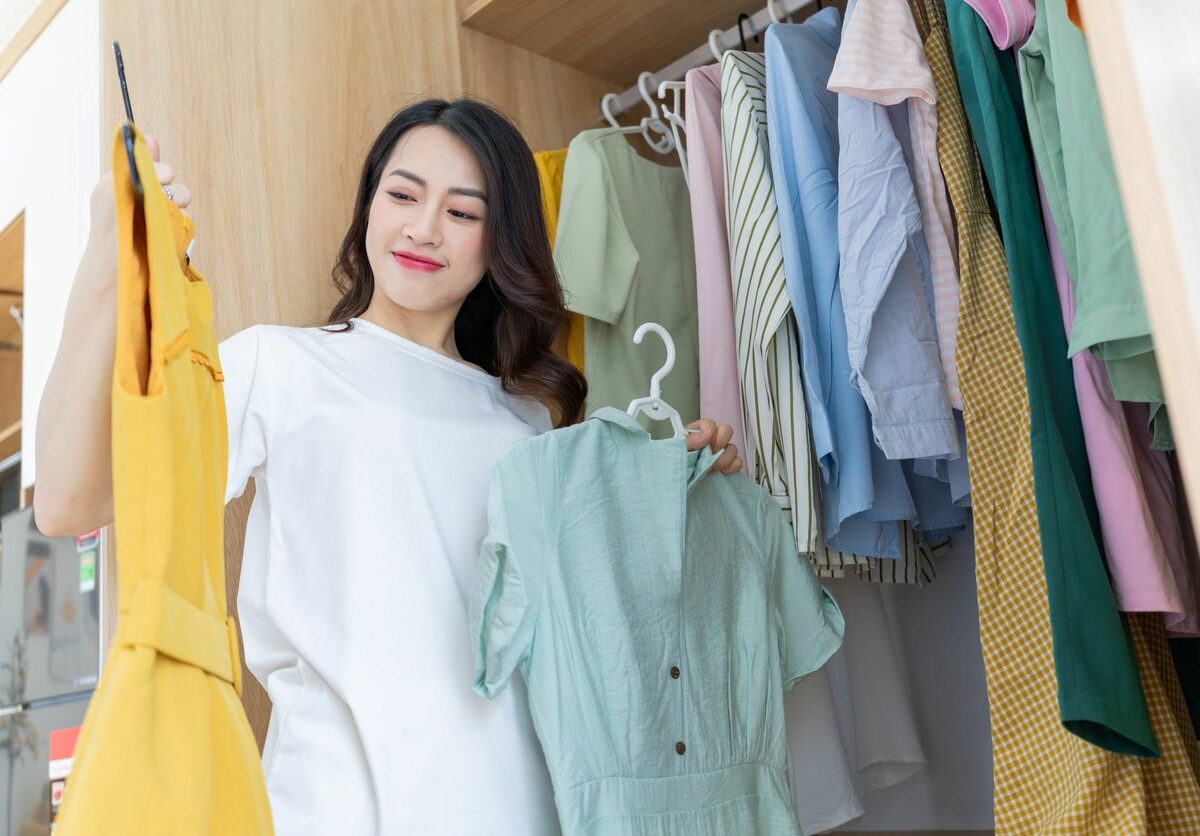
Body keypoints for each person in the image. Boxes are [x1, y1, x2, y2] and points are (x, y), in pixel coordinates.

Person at [33, 98, 742, 834]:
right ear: (369, 203)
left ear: (500, 242)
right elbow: (67, 501)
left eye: (463, 213)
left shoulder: (529, 423)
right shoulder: (280, 365)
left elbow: (599, 644)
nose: (424, 228)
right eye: (403, 194)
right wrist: (107, 260)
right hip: (335, 812)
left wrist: (678, 491)